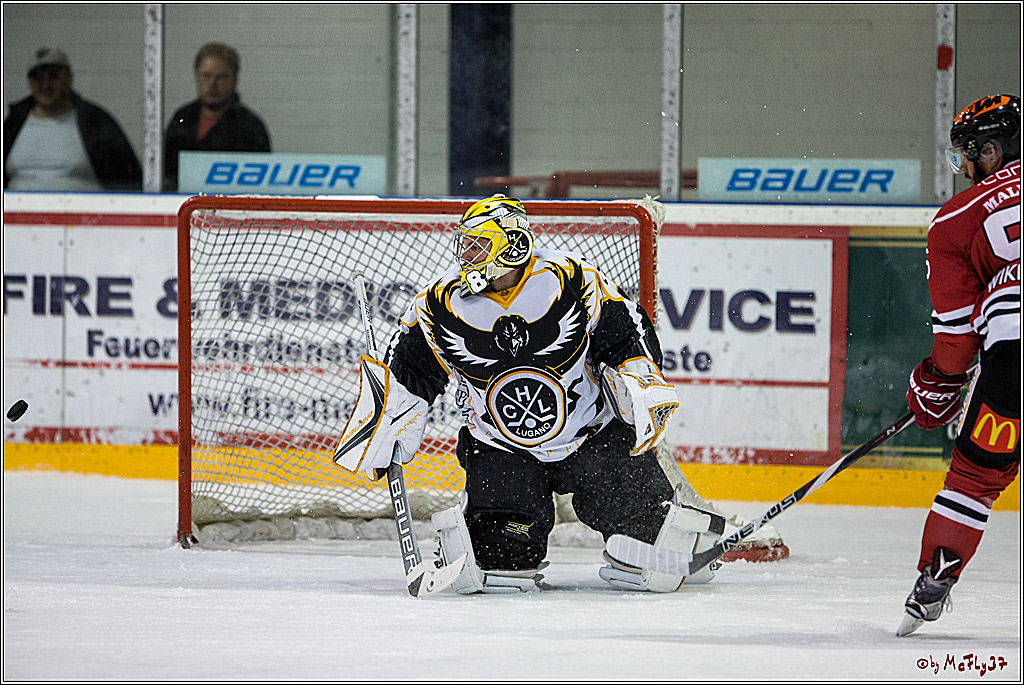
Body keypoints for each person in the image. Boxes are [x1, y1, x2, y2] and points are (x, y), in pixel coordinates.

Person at [334, 195, 726, 594]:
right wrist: (391, 414)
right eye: (465, 244)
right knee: (502, 559)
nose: (467, 255)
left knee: (650, 544)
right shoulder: (438, 303)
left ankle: (663, 526)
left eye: (479, 245)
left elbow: (626, 331)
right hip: (502, 449)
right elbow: (411, 370)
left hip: (592, 438)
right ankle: (484, 529)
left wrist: (639, 375)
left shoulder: (571, 279)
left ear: (513, 244)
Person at [898, 94, 1020, 636]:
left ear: (990, 153)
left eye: (965, 156)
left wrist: (938, 382)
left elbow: (955, 339)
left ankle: (933, 581)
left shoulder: (958, 218)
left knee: (975, 477)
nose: (963, 169)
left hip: (1014, 353)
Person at [3, 48, 142, 191]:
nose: (45, 85)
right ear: (29, 83)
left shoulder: (94, 123)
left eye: (53, 76)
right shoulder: (13, 124)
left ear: (69, 78)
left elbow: (129, 180)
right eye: (38, 78)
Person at [163, 42, 271, 191]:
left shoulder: (250, 127)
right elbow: (165, 171)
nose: (212, 84)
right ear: (196, 76)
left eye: (221, 77)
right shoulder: (182, 118)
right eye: (206, 76)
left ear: (235, 79)